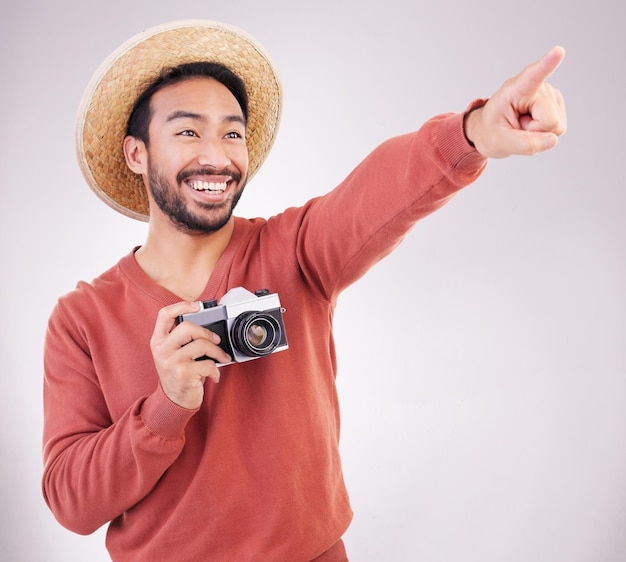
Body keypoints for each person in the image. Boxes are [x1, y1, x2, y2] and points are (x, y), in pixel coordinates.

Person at [42, 19, 566, 562]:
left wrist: (474, 131)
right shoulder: (82, 317)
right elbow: (70, 502)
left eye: (232, 132)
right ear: (136, 154)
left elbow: (380, 191)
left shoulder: (295, 251)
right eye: (188, 131)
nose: (218, 157)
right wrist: (166, 406)